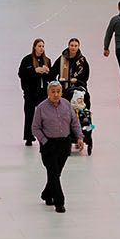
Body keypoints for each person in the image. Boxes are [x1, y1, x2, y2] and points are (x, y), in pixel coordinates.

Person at [31, 82, 83, 213]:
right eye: (53, 91)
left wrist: (79, 137)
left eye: (58, 91)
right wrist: (44, 141)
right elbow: (35, 128)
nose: (56, 94)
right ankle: (59, 202)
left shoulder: (67, 105)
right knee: (53, 172)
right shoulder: (41, 108)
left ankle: (47, 194)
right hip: (49, 145)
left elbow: (75, 122)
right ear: (48, 93)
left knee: (56, 173)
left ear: (61, 92)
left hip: (64, 144)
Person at [54, 39, 92, 152]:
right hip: (64, 92)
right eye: (71, 45)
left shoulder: (82, 60)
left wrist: (77, 81)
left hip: (79, 93)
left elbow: (86, 76)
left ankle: (81, 135)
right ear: (68, 46)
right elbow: (53, 72)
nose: (73, 47)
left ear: (78, 47)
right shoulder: (62, 59)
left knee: (81, 114)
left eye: (75, 45)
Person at [19, 39, 55, 145]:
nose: (41, 48)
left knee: (44, 116)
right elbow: (21, 74)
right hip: (30, 92)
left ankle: (44, 137)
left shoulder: (47, 60)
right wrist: (35, 71)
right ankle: (29, 137)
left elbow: (51, 77)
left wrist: (48, 72)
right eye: (39, 46)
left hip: (42, 92)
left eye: (43, 46)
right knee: (29, 115)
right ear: (34, 47)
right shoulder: (27, 59)